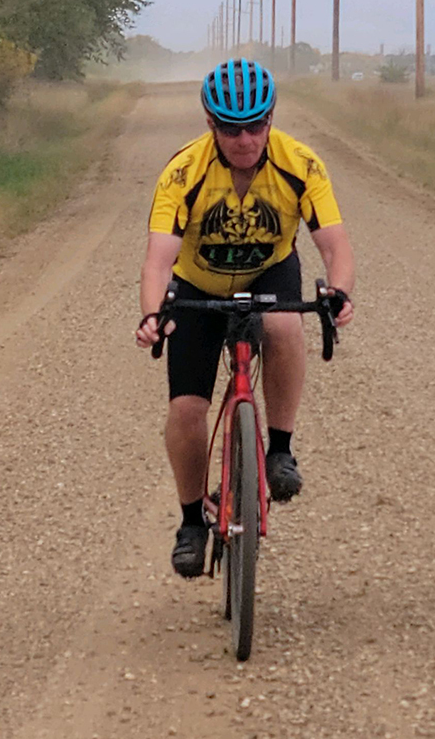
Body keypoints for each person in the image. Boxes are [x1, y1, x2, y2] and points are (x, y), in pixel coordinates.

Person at [135, 59, 356, 579]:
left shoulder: (301, 164)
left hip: (270, 272)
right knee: (187, 411)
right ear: (210, 123)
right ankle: (191, 521)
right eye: (231, 128)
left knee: (283, 325)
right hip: (197, 285)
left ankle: (279, 450)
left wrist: (339, 290)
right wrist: (151, 311)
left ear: (272, 117)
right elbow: (157, 260)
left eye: (257, 125)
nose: (245, 138)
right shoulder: (183, 173)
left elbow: (336, 246)